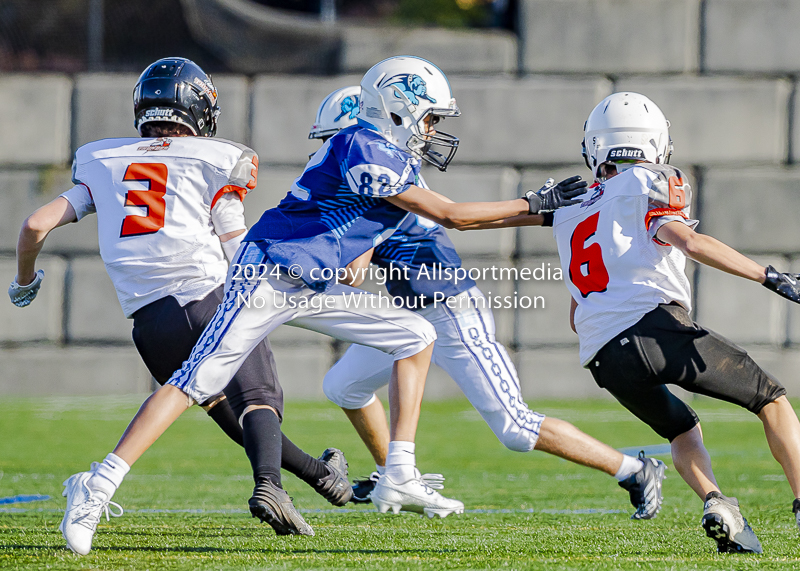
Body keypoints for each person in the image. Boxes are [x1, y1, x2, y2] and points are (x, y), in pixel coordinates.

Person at [46, 55, 595, 550]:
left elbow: (445, 211)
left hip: (306, 281)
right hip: (266, 275)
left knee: (415, 335)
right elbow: (452, 215)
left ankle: (399, 471)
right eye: (429, 117)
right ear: (401, 108)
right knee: (197, 382)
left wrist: (547, 211)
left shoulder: (383, 152)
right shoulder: (364, 146)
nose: (432, 131)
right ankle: (97, 483)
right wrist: (533, 201)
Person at [9, 58, 353, 553]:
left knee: (224, 406)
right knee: (259, 397)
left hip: (150, 323)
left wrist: (24, 282)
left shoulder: (105, 160)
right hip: (206, 295)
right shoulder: (213, 158)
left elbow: (36, 225)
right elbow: (235, 238)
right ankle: (268, 486)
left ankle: (321, 476)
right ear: (199, 109)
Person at [307, 85, 670, 518]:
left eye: (336, 141)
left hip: (450, 311)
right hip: (412, 315)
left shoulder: (378, 179)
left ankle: (634, 469)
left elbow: (355, 271)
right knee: (342, 386)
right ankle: (397, 473)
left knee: (515, 427)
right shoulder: (387, 172)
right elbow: (455, 218)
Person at [547, 91, 800, 553]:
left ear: (594, 147)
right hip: (654, 328)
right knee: (772, 399)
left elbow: (576, 313)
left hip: (604, 358)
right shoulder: (651, 183)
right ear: (655, 144)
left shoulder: (569, 208)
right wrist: (770, 276)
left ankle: (718, 502)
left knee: (681, 429)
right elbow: (688, 241)